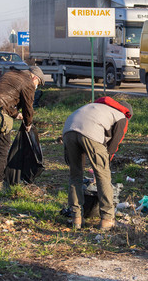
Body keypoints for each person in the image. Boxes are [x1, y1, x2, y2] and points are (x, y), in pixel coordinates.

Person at [62, 97, 133, 230]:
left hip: (69, 129)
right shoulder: (121, 116)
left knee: (75, 175)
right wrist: (100, 168)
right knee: (103, 176)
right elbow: (113, 147)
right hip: (90, 132)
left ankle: (76, 218)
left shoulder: (97, 107)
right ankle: (107, 219)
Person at [0, 66, 45, 193]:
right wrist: (28, 124)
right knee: (2, 148)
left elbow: (3, 97)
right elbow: (28, 107)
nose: (36, 86)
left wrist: (15, 114)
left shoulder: (11, 74)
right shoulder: (28, 82)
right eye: (38, 83)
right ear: (34, 77)